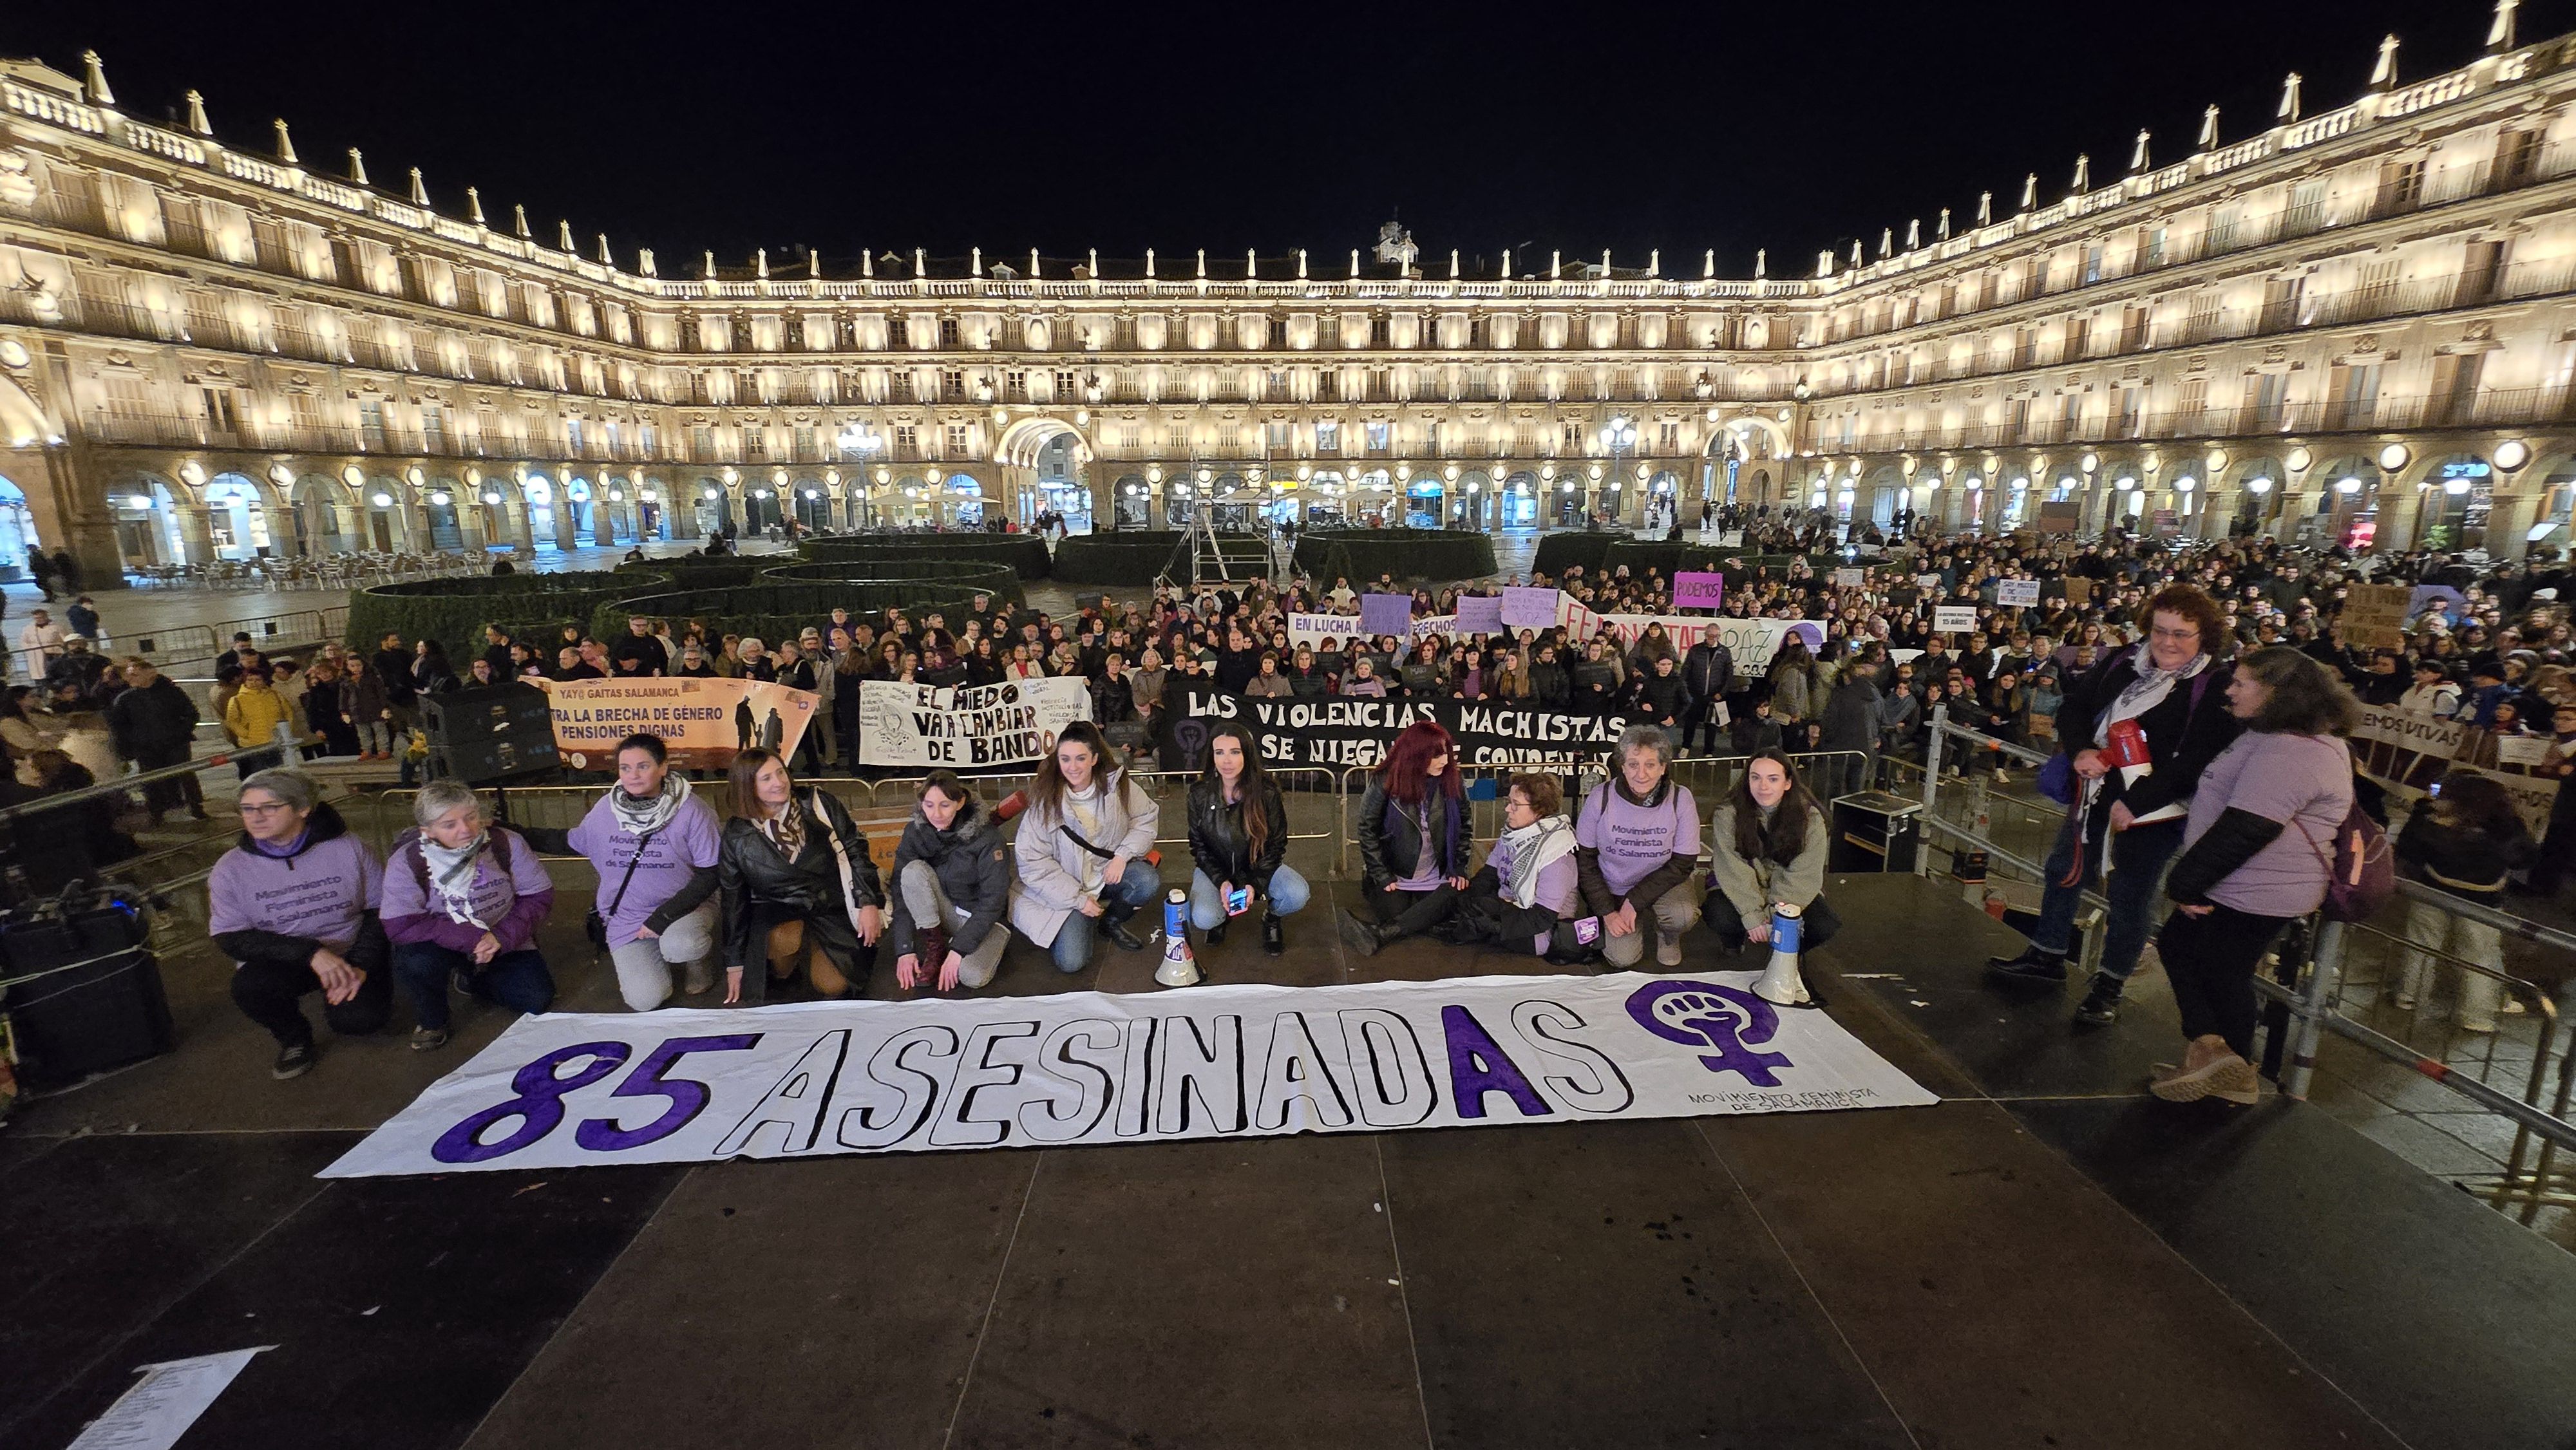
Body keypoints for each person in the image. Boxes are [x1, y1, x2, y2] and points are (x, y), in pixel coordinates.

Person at [1987, 585, 2241, 1028]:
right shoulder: (2123, 662)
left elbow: (2197, 759)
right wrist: (2083, 749)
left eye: (2182, 634)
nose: (2167, 642)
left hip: (2156, 811)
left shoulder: (2213, 685)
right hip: (2095, 794)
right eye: (2160, 631)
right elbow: (2077, 708)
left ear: (2205, 636)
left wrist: (2137, 803)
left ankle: (2109, 984)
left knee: (2130, 897)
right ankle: (2047, 955)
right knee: (2063, 871)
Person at [2148, 647, 2358, 1104]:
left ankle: (2230, 1068)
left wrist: (2186, 882)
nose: (2231, 690)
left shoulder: (2293, 751)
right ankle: (2214, 1059)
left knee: (2219, 971)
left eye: (2243, 683)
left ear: (2278, 693)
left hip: (2259, 887)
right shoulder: (2276, 737)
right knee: (2193, 955)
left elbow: (2247, 827)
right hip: (2243, 882)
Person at [513, 733, 723, 1012]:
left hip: (685, 908)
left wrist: (662, 918)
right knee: (644, 1001)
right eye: (625, 768)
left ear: (663, 767)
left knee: (681, 945)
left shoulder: (692, 811)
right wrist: (510, 830)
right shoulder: (606, 809)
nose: (633, 776)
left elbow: (711, 873)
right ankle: (656, 958)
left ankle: (696, 960)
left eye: (643, 766)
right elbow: (570, 841)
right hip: (629, 916)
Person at [208, 769, 390, 1079]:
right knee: (250, 988)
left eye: (269, 807)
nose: (256, 817)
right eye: (248, 809)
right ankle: (294, 1038)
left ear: (303, 809)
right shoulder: (230, 869)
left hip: (351, 950)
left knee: (360, 1022)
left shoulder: (349, 848)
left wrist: (361, 964)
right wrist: (311, 953)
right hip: (287, 958)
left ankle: (358, 988)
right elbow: (230, 936)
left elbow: (381, 910)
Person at [381, 779, 556, 1050]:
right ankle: (432, 1021)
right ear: (427, 831)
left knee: (535, 998)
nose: (466, 830)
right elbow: (400, 925)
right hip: (440, 942)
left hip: (501, 936)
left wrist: (501, 937)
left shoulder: (506, 843)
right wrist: (470, 938)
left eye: (471, 818)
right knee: (417, 963)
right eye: (450, 825)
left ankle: (473, 978)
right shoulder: (407, 860)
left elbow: (538, 895)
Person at [717, 747, 885, 1003]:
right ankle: (792, 954)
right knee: (780, 954)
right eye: (766, 779)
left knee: (834, 986)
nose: (779, 783)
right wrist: (735, 963)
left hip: (831, 904)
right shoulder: (736, 835)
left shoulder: (819, 803)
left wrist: (868, 903)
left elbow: (856, 852)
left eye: (780, 773)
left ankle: (813, 946)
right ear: (747, 787)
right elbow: (733, 899)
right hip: (776, 909)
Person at [1009, 722, 1164, 973]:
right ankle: (1081, 918)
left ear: (1094, 759)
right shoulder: (1044, 802)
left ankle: (1110, 922)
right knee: (1071, 963)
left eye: (1080, 758)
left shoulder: (1120, 787)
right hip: (1067, 888)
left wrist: (1122, 856)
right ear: (1057, 761)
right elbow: (1033, 863)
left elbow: (1145, 821)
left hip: (1105, 874)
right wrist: (1078, 900)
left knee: (1146, 880)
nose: (1073, 767)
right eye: (1066, 759)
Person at [2391, 770, 2533, 1033]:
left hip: (2432, 891)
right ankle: (2476, 1015)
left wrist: (2422, 811)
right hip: (2483, 902)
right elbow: (2524, 859)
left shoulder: (2432, 821)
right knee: (2479, 958)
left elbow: (2408, 850)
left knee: (2421, 945)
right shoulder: (2507, 828)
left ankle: (2409, 995)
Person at [1705, 750, 1839, 1000]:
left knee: (1824, 925)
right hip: (1743, 889)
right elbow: (1732, 868)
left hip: (1788, 892)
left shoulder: (1811, 820)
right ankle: (1733, 940)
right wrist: (1753, 915)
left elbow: (1803, 874)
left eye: (1773, 779)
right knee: (1720, 915)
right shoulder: (1728, 814)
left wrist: (1775, 917)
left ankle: (1788, 953)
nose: (1763, 786)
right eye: (1755, 778)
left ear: (1788, 783)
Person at [1338, 719, 1469, 956]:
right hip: (1395, 875)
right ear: (1415, 755)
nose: (1445, 761)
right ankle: (1423, 921)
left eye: (1446, 753)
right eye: (1436, 755)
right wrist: (1381, 874)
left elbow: (1464, 827)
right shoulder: (1385, 780)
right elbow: (1368, 830)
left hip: (1439, 876)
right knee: (1415, 914)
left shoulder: (1453, 780)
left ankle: (1382, 933)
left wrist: (1459, 867)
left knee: (1455, 896)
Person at [1576, 724, 1703, 968]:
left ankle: (1667, 935)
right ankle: (1628, 920)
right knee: (1621, 960)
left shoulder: (1681, 799)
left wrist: (1635, 901)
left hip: (1664, 883)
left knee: (1681, 916)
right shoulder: (1599, 798)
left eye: (1650, 765)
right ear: (1622, 767)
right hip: (1614, 887)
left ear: (1664, 768)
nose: (1641, 774)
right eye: (1633, 764)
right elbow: (1586, 862)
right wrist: (1607, 913)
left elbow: (1682, 864)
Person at [1186, 720, 1309, 955]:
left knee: (1297, 894)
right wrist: (1221, 881)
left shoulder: (1267, 793)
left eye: (1235, 752)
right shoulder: (1198, 794)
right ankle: (1220, 918)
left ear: (1247, 755)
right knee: (1204, 918)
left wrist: (1255, 884)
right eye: (1219, 752)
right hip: (1215, 868)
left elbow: (1276, 845)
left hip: (1257, 866)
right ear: (1211, 756)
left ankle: (1272, 917)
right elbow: (1198, 846)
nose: (1227, 761)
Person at [887, 771, 1012, 992]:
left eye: (945, 805)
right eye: (928, 805)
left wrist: (958, 951)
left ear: (960, 802)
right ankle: (935, 948)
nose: (935, 814)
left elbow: (993, 901)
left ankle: (965, 947)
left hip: (985, 919)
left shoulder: (988, 838)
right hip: (946, 912)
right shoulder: (914, 832)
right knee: (911, 872)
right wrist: (905, 949)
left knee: (972, 976)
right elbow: (900, 889)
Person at [1445, 772, 1586, 959]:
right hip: (1508, 909)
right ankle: (1453, 926)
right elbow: (1486, 878)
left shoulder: (1557, 854)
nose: (1507, 809)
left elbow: (1542, 919)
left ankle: (1453, 929)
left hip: (1539, 935)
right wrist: (1467, 902)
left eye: (1516, 805)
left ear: (1539, 809)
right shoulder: (1511, 835)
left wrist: (1493, 925)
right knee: (1452, 893)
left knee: (1469, 913)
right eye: (1508, 801)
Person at [108, 657, 205, 823]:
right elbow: (120, 727)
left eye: (136, 675)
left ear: (150, 674)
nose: (130, 679)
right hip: (146, 747)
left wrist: (179, 733)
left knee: (185, 774)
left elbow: (191, 714)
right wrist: (132, 745)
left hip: (175, 743)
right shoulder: (124, 699)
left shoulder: (171, 692)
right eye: (129, 675)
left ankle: (196, 807)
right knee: (151, 779)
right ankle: (156, 811)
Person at [16, 607, 64, 680]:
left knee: (56, 676)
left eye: (41, 617)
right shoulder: (28, 629)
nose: (39, 619)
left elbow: (66, 639)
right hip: (36, 656)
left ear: (46, 617)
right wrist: (31, 650)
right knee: (40, 677)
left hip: (54, 655)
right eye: (36, 618)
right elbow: (24, 642)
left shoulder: (57, 627)